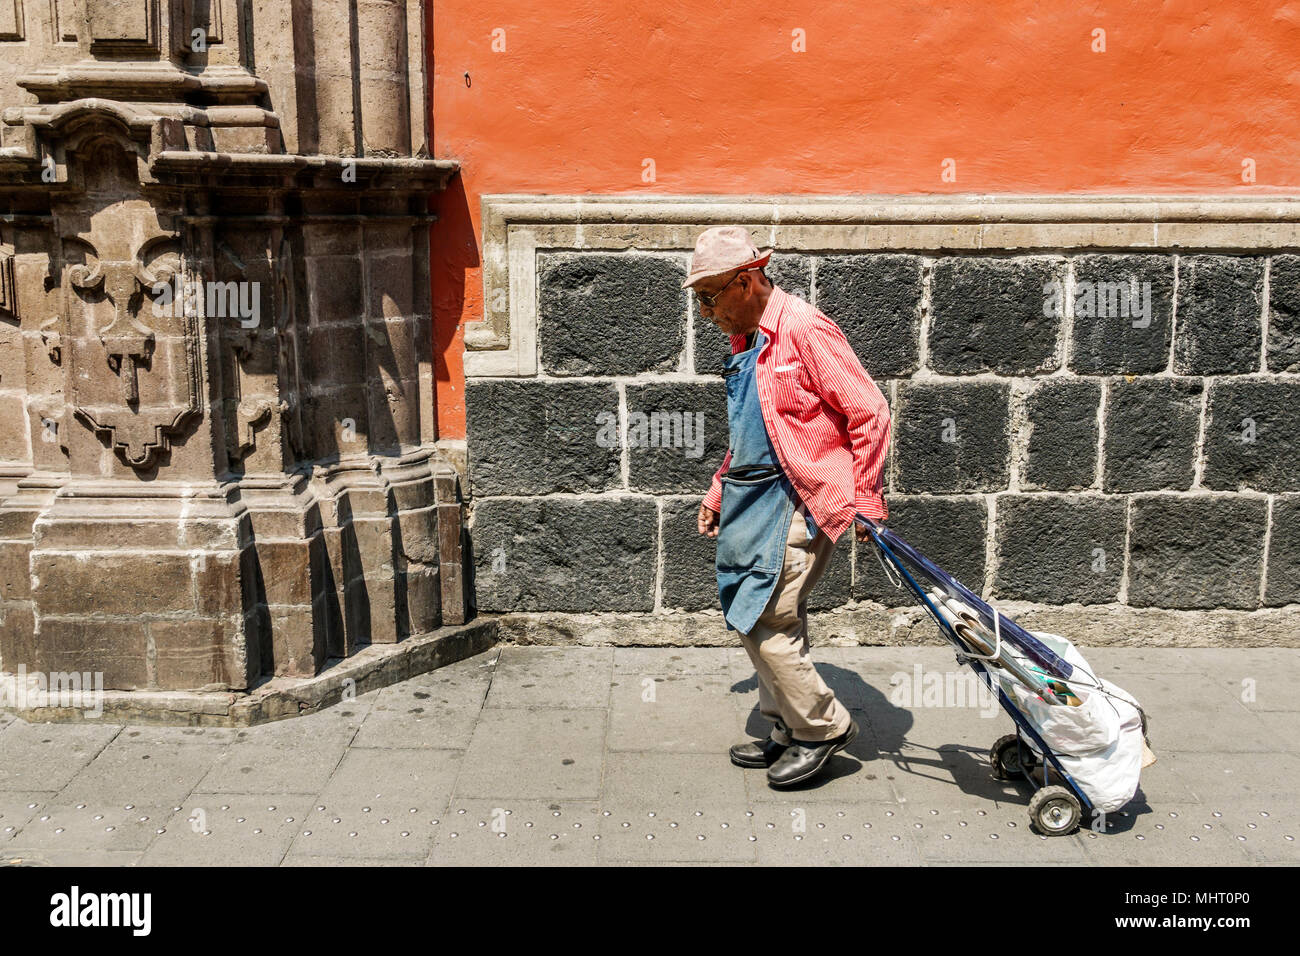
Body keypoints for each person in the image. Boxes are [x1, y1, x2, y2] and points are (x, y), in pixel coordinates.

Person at [686, 226, 891, 788]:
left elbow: (870, 411)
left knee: (767, 617)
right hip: (753, 498)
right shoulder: (748, 338)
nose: (706, 313)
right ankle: (787, 729)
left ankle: (822, 728)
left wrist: (867, 497)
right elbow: (755, 431)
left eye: (710, 298)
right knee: (766, 616)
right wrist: (717, 490)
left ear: (747, 281)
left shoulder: (802, 327)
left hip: (797, 499)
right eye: (699, 300)